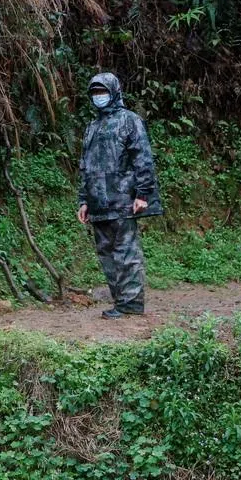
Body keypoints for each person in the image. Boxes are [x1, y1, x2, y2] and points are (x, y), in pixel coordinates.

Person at [77, 72, 162, 319]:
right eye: (94, 93)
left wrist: (143, 194)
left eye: (102, 91)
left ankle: (131, 304)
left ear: (114, 91)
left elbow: (143, 159)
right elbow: (85, 165)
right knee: (106, 254)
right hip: (98, 202)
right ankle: (120, 301)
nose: (98, 97)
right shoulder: (91, 127)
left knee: (126, 253)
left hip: (124, 199)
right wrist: (84, 200)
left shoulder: (129, 121)